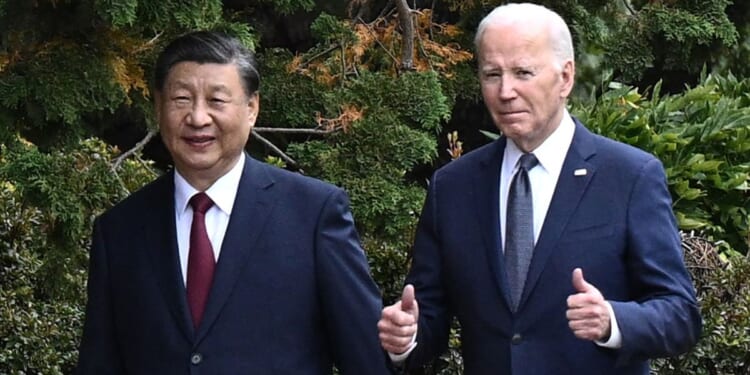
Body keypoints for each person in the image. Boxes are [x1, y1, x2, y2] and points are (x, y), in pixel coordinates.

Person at [377, 3, 701, 374]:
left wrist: (613, 321)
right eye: (491, 74)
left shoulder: (628, 177)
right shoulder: (453, 187)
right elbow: (427, 314)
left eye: (523, 73)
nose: (505, 91)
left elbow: (680, 316)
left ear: (565, 78)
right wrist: (406, 338)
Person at [76, 30, 392, 374]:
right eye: (181, 99)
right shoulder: (120, 229)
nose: (198, 118)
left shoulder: (313, 213)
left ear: (251, 108)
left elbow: (366, 360)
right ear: (158, 105)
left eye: (216, 100)